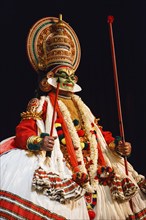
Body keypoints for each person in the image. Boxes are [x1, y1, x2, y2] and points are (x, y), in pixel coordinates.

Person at [0, 15, 146, 220]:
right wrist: (39, 141)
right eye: (62, 75)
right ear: (46, 82)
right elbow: (23, 133)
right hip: (62, 165)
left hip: (95, 170)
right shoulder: (40, 104)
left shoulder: (83, 107)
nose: (68, 80)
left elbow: (99, 135)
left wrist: (118, 146)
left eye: (71, 75)